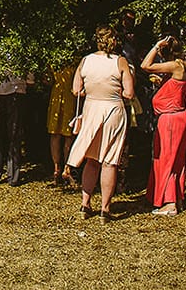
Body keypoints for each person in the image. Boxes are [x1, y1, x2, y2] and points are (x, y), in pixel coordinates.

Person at [67, 25, 134, 219]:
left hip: (91, 109)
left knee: (92, 159)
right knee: (110, 161)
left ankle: (85, 204)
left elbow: (76, 90)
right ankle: (105, 208)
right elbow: (129, 93)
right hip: (113, 110)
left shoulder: (85, 61)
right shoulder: (120, 62)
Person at [141, 34, 186, 216]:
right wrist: (165, 82)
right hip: (182, 116)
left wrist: (155, 46)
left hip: (171, 118)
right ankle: (177, 197)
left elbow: (145, 65)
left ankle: (169, 203)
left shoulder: (175, 64)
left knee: (167, 158)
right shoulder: (185, 67)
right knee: (177, 159)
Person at [46, 53, 79, 188]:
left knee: (61, 134)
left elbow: (47, 80)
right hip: (66, 95)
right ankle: (62, 168)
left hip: (63, 95)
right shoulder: (74, 60)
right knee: (64, 135)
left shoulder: (54, 58)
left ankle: (61, 168)